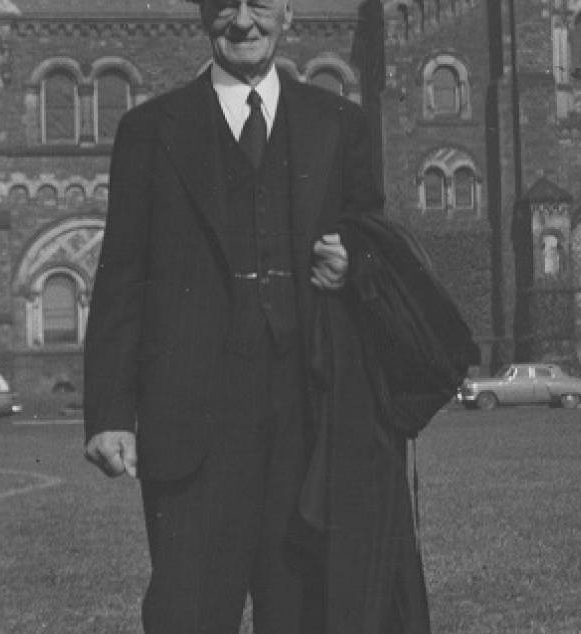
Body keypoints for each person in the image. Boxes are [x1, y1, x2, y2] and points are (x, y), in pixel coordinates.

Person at [81, 0, 428, 631]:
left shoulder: (340, 123)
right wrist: (109, 413)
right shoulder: (149, 129)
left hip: (308, 422)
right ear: (203, 15)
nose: (243, 21)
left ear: (287, 13)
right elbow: (121, 276)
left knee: (301, 613)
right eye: (224, 6)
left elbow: (370, 235)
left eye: (259, 4)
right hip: (191, 426)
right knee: (187, 613)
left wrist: (354, 260)